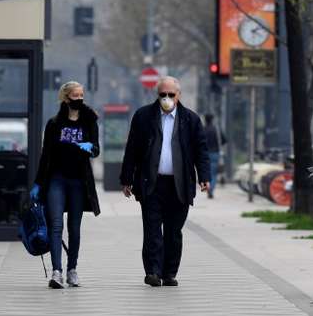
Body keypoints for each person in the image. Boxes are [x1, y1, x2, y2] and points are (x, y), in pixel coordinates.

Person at [119, 76, 210, 287]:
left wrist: (204, 176)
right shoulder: (143, 116)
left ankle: (169, 273)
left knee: (173, 232)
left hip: (179, 185)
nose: (167, 98)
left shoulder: (191, 120)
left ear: (179, 95)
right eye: (163, 94)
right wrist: (127, 179)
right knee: (152, 230)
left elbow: (201, 151)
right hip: (151, 183)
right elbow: (132, 148)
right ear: (157, 95)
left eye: (171, 94)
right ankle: (152, 271)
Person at [30, 81, 101, 289]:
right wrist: (37, 184)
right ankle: (56, 272)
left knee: (75, 228)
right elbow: (46, 156)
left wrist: (89, 147)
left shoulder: (89, 121)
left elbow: (96, 150)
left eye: (81, 95)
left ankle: (72, 270)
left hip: (79, 181)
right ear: (65, 98)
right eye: (75, 95)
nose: (79, 99)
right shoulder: (54, 124)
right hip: (57, 180)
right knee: (55, 225)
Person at [203, 113, 227, 198]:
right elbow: (224, 140)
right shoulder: (217, 130)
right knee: (213, 173)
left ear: (205, 119)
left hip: (204, 154)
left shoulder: (202, 129)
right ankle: (211, 189)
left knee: (205, 173)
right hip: (215, 153)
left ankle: (206, 188)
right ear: (212, 120)